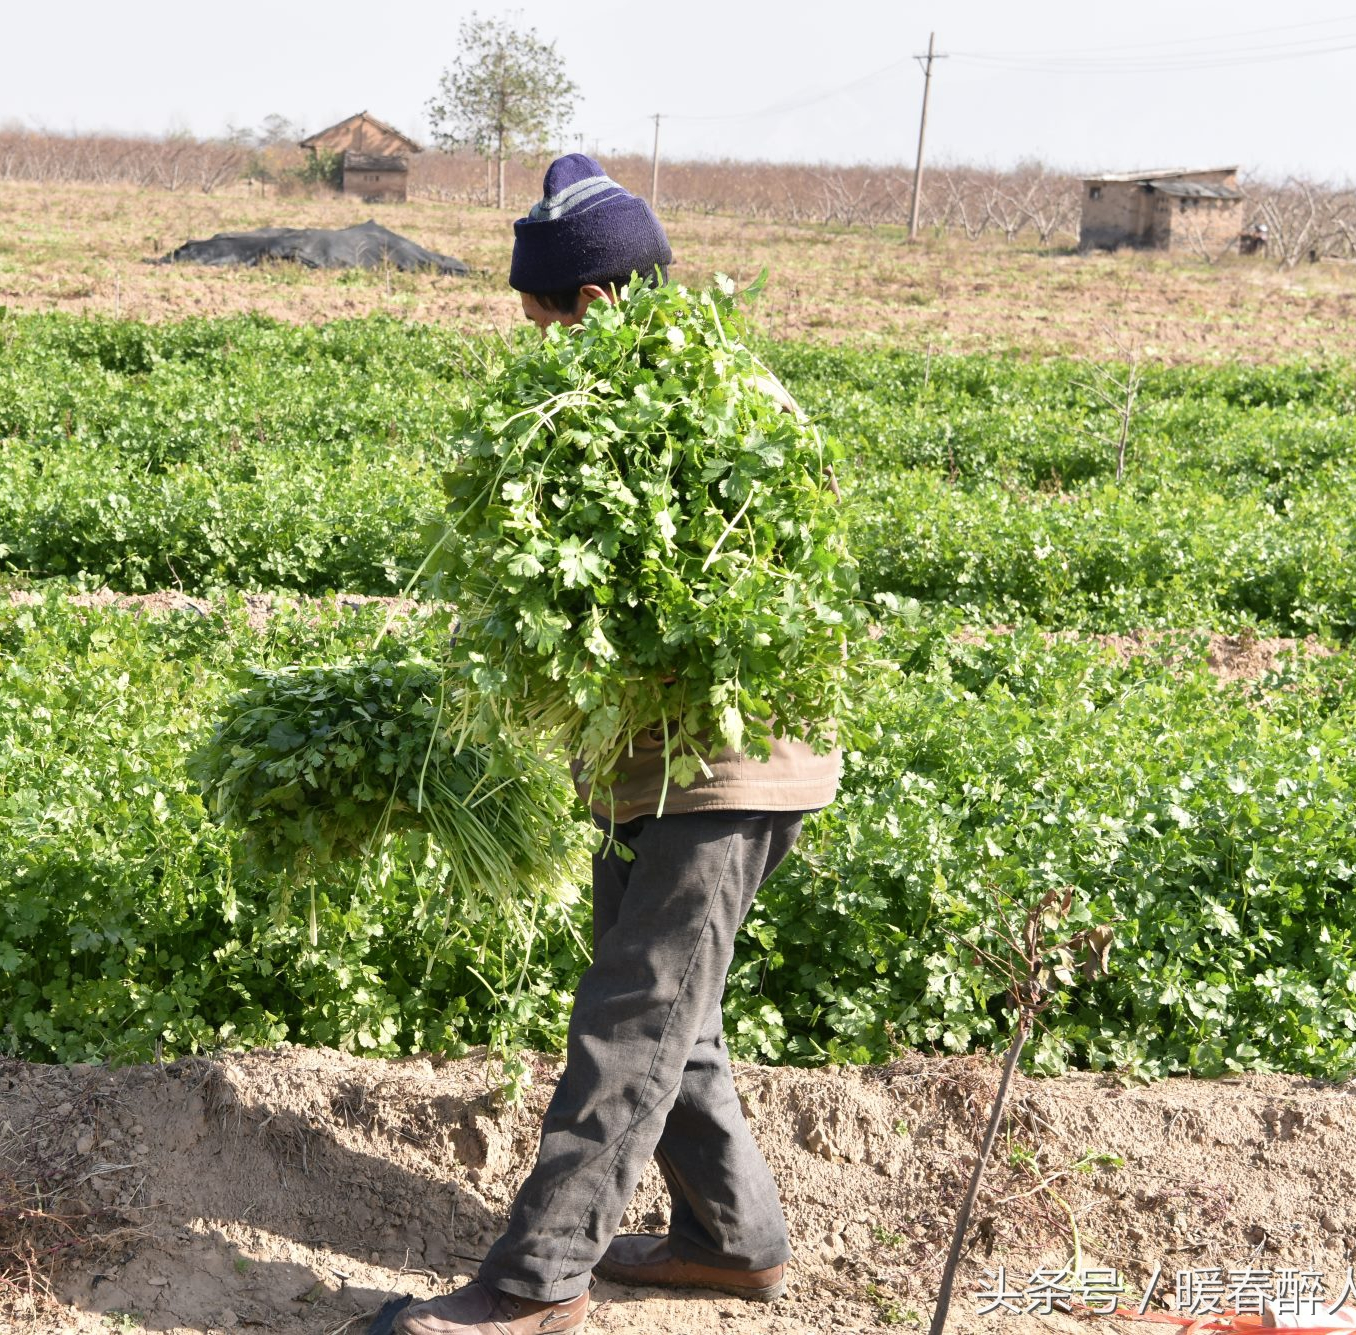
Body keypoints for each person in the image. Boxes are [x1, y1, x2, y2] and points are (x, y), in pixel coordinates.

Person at [394, 154, 841, 1335]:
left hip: (724, 768)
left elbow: (744, 591)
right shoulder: (618, 407)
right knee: (669, 1014)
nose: (533, 337)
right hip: (649, 765)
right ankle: (728, 1240)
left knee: (631, 1019)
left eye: (539, 314)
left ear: (593, 303)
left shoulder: (708, 408)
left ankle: (534, 1287)